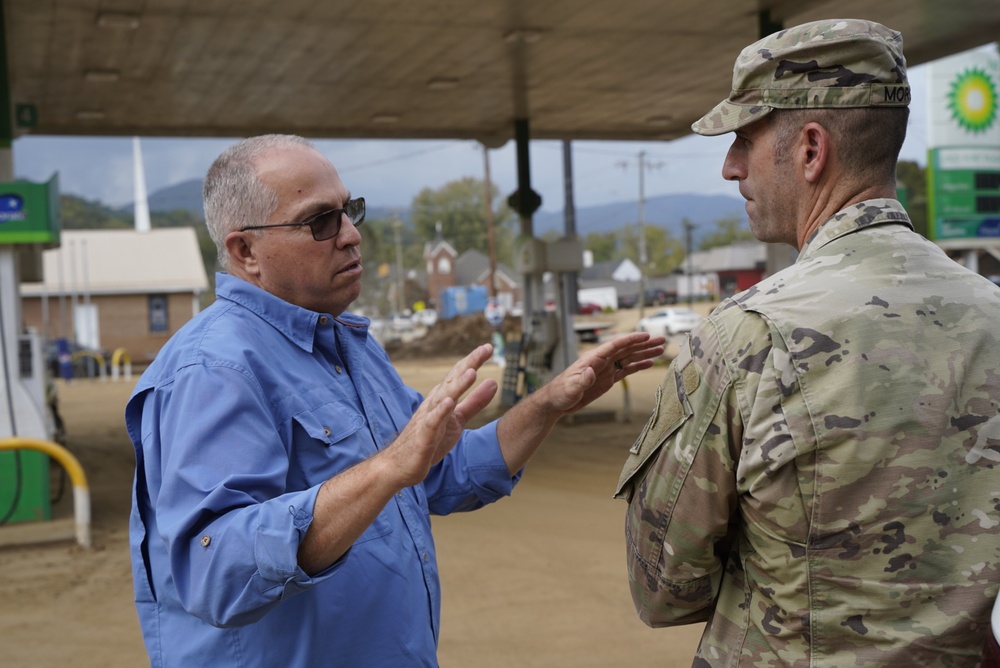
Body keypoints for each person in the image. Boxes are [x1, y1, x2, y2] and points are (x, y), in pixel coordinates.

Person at [126, 133, 663, 667]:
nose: (352, 236)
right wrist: (386, 468)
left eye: (349, 211)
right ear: (246, 251)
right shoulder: (213, 370)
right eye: (321, 222)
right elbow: (212, 571)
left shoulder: (346, 346)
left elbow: (442, 475)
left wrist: (546, 405)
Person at [617, 18, 1000, 667]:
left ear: (811, 150)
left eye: (744, 138)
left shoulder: (747, 336)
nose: (729, 166)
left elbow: (663, 588)